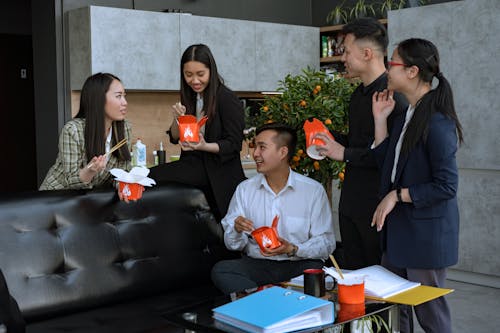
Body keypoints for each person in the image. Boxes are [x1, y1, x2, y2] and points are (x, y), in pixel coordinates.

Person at [371, 38, 463, 333]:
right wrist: (380, 120)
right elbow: (389, 167)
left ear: (411, 71)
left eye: (392, 63)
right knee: (395, 312)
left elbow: (447, 186)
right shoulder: (407, 115)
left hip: (425, 236)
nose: (387, 70)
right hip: (399, 233)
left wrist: (397, 196)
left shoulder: (437, 122)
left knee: (430, 316)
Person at [315, 18, 407, 270]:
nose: (342, 58)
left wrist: (342, 151)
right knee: (354, 280)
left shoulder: (394, 97)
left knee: (383, 283)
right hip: (351, 203)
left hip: (377, 205)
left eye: (346, 51)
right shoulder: (358, 94)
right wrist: (330, 137)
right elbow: (360, 142)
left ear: (367, 53)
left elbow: (386, 156)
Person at [211, 123, 336, 295]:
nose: (255, 154)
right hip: (257, 265)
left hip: (298, 264)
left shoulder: (312, 190)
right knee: (222, 270)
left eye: (262, 147)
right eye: (255, 147)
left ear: (283, 152)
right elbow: (233, 245)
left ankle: (261, 299)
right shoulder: (245, 189)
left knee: (316, 271)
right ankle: (270, 299)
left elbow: (326, 243)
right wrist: (237, 229)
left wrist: (293, 249)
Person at [149, 44, 245, 221]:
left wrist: (204, 146)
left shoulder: (226, 98)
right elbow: (175, 137)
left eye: (200, 74)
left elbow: (233, 144)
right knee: (149, 177)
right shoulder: (191, 98)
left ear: (211, 71)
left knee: (150, 176)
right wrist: (178, 118)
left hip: (218, 172)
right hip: (193, 164)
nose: (194, 81)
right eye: (188, 75)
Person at [40, 73, 131, 190]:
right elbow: (70, 181)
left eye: (124, 96)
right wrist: (90, 171)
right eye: (118, 96)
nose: (125, 102)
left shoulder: (124, 129)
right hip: (56, 197)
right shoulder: (73, 130)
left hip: (89, 199)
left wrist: (122, 186)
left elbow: (122, 171)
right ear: (99, 99)